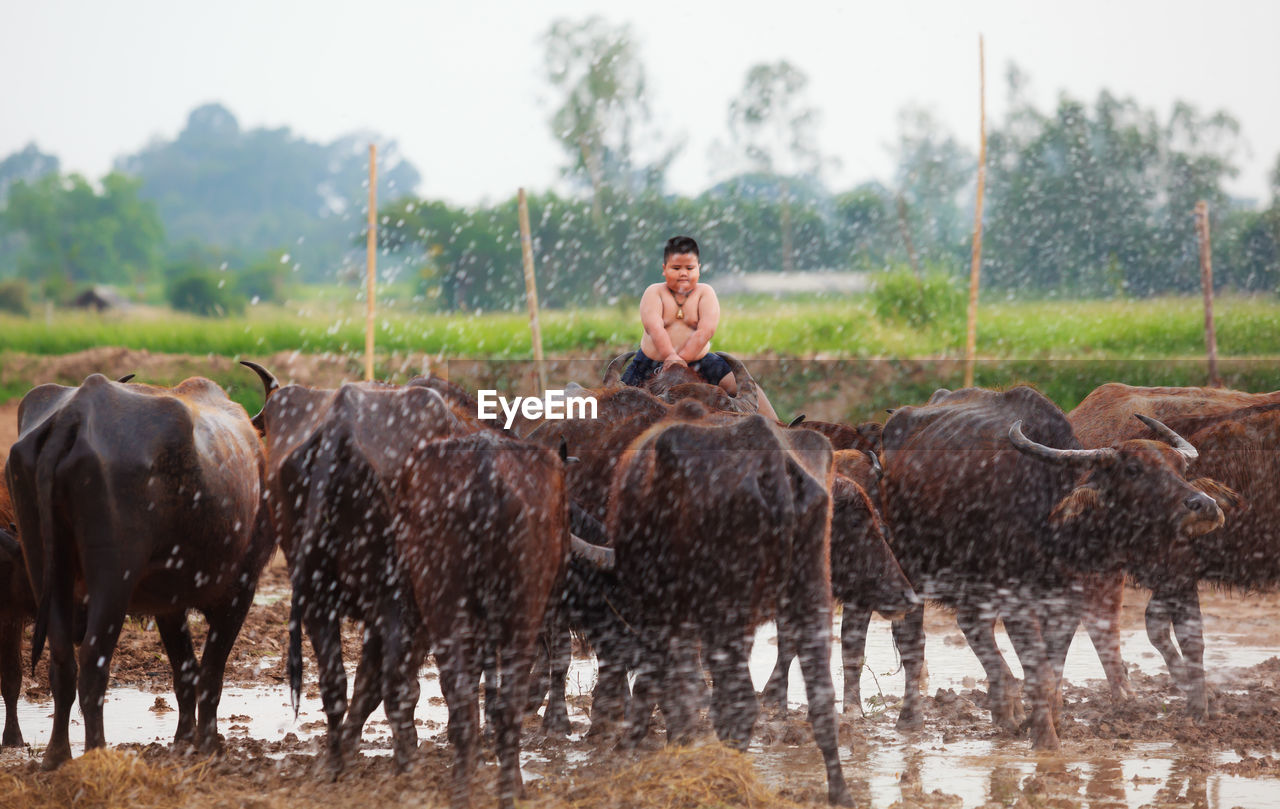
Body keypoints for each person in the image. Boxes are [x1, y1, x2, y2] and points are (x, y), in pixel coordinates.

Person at [621, 235, 779, 421]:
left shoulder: (705, 293)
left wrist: (682, 358)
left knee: (744, 386)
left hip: (700, 361)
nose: (683, 273)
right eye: (676, 268)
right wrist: (671, 356)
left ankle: (778, 425)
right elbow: (654, 327)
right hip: (652, 361)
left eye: (689, 268)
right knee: (616, 396)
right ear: (664, 269)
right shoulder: (655, 292)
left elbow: (706, 330)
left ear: (699, 269)